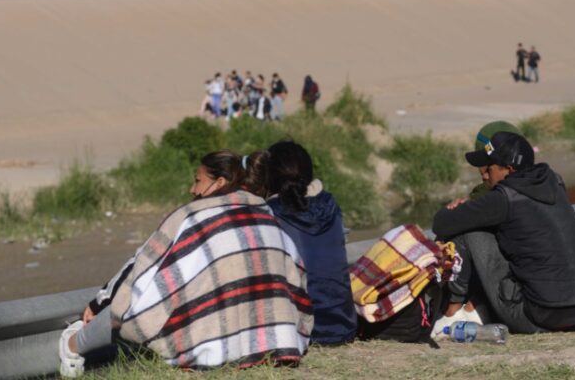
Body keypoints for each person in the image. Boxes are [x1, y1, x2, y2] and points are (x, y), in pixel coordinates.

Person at [58, 150, 313, 376]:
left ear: (219, 182)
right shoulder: (264, 213)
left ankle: (70, 346)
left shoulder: (191, 216)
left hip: (211, 348)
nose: (192, 189)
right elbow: (296, 275)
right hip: (276, 340)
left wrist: (99, 301)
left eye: (198, 180)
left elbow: (140, 267)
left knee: (130, 308)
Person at [431, 132, 575, 335]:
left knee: (467, 232)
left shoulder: (504, 198)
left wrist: (454, 209)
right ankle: (474, 309)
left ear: (509, 170)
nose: (484, 175)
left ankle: (451, 315)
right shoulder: (554, 182)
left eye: (489, 169)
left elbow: (441, 224)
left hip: (536, 315)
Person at [247, 141, 358, 345]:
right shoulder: (330, 204)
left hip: (301, 333)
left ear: (268, 177)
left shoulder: (268, 214)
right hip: (342, 325)